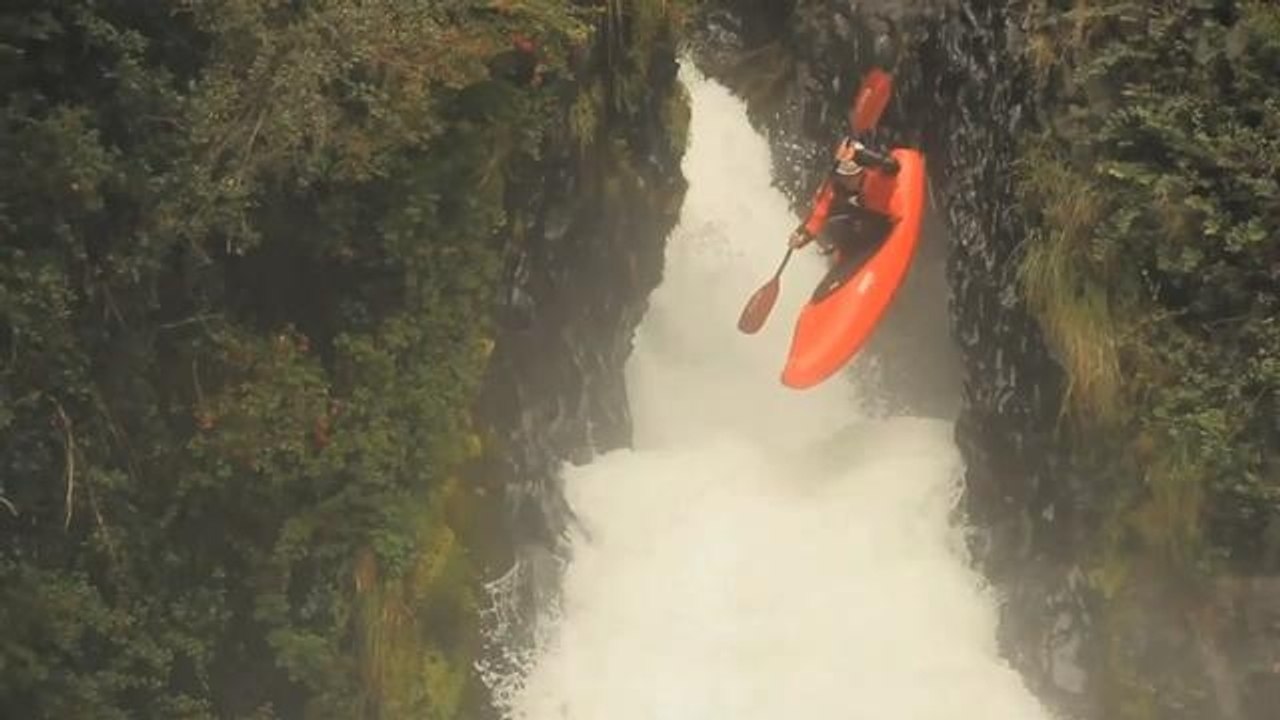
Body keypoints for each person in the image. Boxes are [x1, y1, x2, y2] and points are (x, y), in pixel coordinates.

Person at [787, 136, 900, 264]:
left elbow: (892, 165)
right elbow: (819, 214)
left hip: (884, 218)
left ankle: (853, 249)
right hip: (867, 217)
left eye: (848, 177)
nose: (845, 181)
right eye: (841, 177)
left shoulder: (879, 174)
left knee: (851, 224)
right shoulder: (836, 186)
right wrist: (803, 234)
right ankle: (847, 255)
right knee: (834, 225)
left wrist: (861, 155)